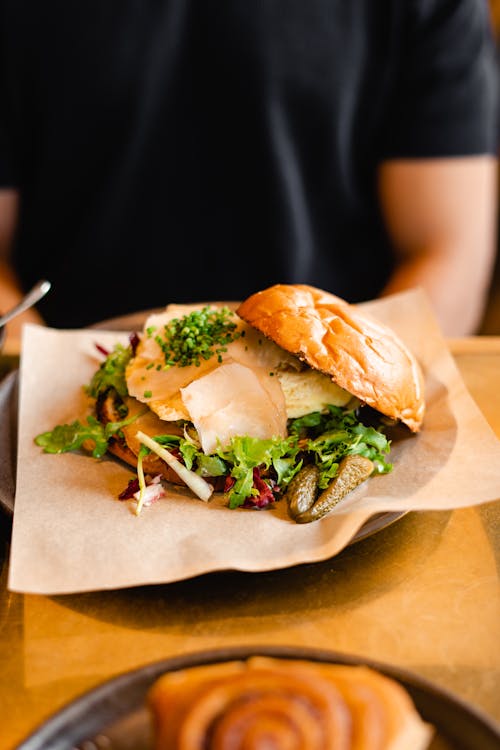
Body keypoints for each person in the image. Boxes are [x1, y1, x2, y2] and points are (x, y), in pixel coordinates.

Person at [0, 0, 498, 351]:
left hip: (331, 382)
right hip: (69, 380)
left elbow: (447, 252)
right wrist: (45, 384)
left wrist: (345, 403)